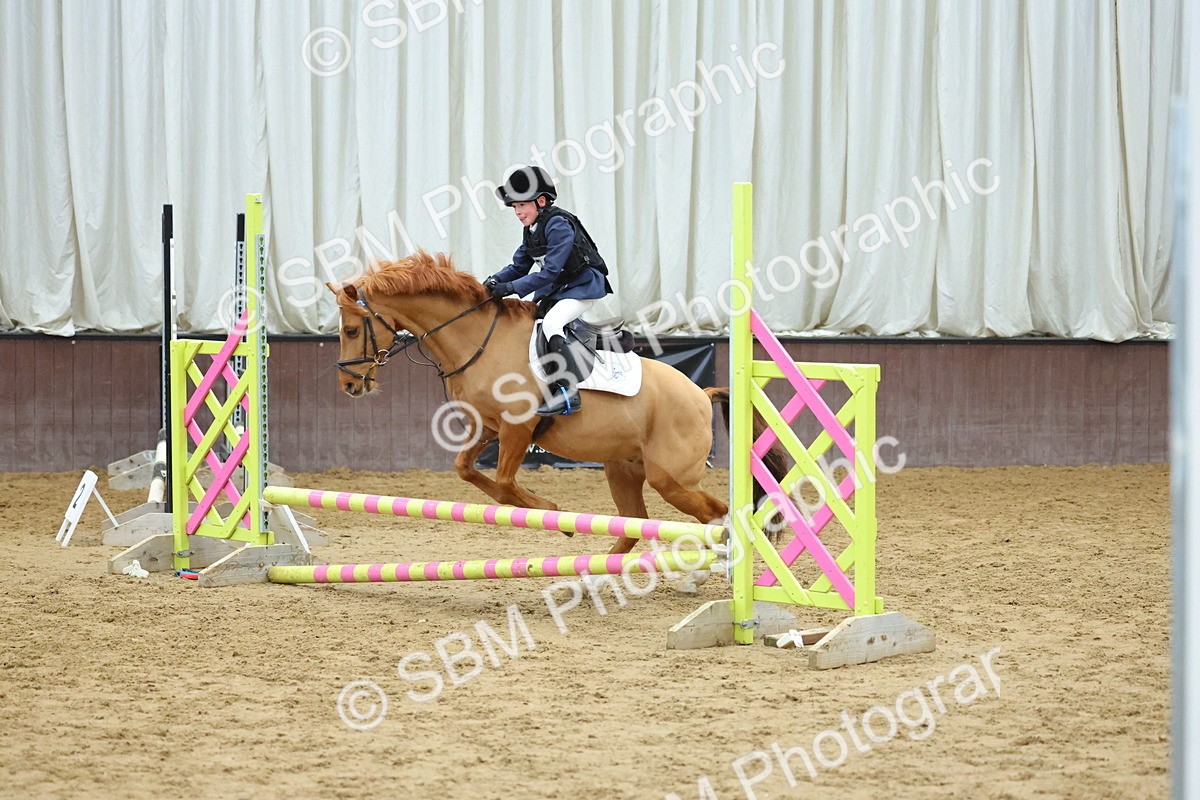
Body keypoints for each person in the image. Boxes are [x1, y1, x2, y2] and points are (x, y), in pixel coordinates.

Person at [484, 165, 612, 416]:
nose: (518, 212)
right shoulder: (532, 229)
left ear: (541, 201)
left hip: (583, 286)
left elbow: (550, 272)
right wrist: (493, 281)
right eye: (514, 207)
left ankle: (569, 392)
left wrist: (509, 288)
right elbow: (519, 266)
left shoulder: (558, 225)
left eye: (522, 205)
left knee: (552, 323)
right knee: (530, 321)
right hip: (560, 288)